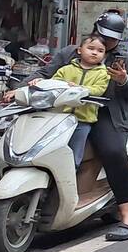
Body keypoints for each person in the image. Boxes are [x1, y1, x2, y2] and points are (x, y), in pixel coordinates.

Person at [36, 13, 128, 241]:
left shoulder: (123, 60)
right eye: (103, 37)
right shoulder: (70, 52)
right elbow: (44, 74)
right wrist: (18, 89)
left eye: (111, 40)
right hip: (66, 112)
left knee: (113, 151)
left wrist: (123, 80)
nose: (104, 44)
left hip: (109, 114)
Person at [48, 33, 112, 167]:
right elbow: (54, 83)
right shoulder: (66, 70)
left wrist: (81, 89)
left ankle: (72, 173)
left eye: (100, 51)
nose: (95, 53)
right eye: (91, 48)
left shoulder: (103, 73)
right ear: (79, 50)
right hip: (60, 118)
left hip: (83, 121)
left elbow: (99, 89)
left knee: (74, 154)